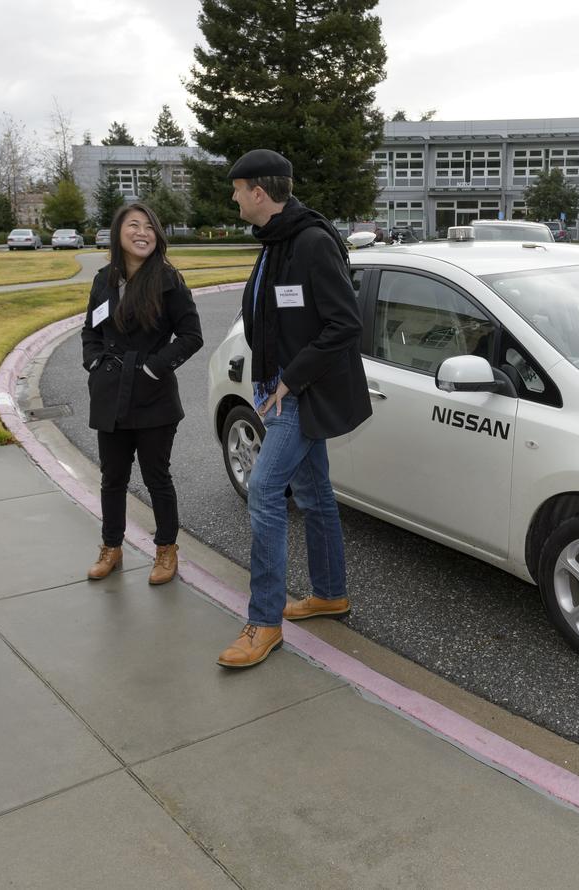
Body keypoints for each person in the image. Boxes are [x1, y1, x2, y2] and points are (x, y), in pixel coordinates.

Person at [216, 149, 372, 669]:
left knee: (264, 490)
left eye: (237, 189)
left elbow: (344, 323)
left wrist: (289, 378)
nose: (233, 197)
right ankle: (330, 593)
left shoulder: (309, 242)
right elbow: (283, 314)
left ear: (258, 192)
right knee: (313, 492)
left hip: (299, 392)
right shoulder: (276, 242)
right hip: (279, 387)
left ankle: (263, 623)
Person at [81, 202, 203, 586]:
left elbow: (191, 336)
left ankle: (166, 550)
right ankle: (111, 548)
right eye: (133, 225)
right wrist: (95, 364)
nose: (142, 232)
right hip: (110, 394)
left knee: (156, 478)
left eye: (150, 226)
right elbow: (90, 332)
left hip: (153, 398)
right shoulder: (104, 279)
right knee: (112, 478)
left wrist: (153, 367)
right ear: (118, 233)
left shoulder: (168, 280)